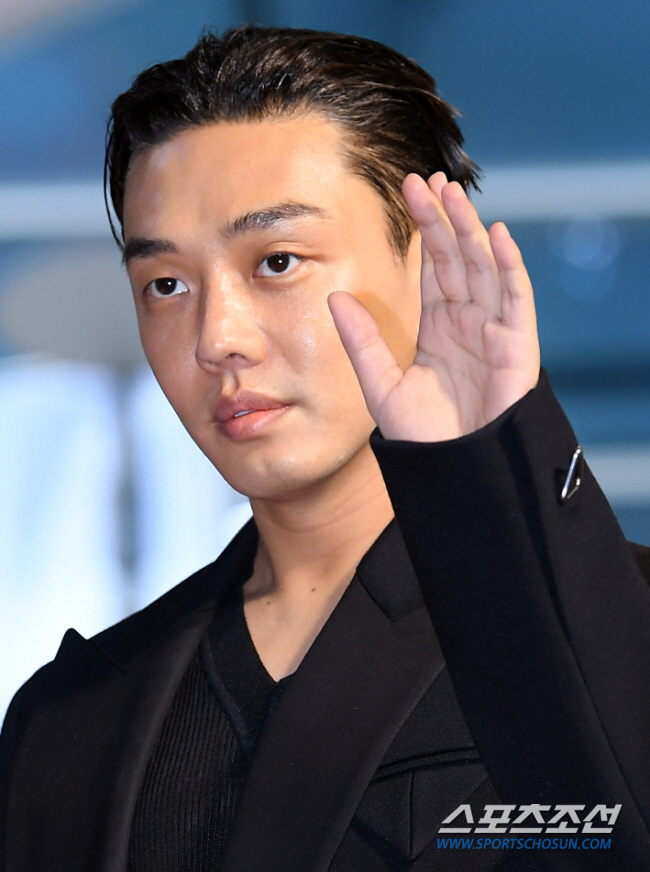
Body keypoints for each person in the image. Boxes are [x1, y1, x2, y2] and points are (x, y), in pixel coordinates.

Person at [2, 24, 650, 872]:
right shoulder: (70, 719)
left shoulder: (600, 624)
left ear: (431, 261)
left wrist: (503, 451)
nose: (216, 337)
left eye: (277, 261)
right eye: (166, 284)